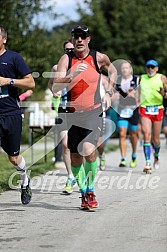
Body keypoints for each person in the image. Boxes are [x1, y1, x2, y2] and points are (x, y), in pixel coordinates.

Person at [51, 25, 117, 210]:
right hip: (71, 114)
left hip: (93, 111)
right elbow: (55, 87)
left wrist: (109, 92)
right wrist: (71, 75)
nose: (79, 40)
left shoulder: (99, 58)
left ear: (88, 39)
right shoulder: (66, 59)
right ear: (72, 40)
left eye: (83, 36)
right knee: (75, 158)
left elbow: (113, 71)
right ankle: (83, 193)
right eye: (76, 37)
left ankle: (90, 190)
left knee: (88, 151)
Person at [0, 26, 35, 204]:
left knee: (13, 157)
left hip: (11, 113)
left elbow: (31, 83)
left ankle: (25, 181)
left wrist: (9, 81)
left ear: (4, 39)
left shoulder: (13, 58)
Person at [48, 40, 77, 194]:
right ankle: (70, 176)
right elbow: (50, 83)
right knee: (65, 144)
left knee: (79, 145)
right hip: (63, 108)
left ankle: (82, 175)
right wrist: (54, 91)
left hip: (79, 109)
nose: (69, 51)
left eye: (71, 49)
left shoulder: (79, 66)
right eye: (66, 49)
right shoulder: (56, 68)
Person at [139, 59, 167, 173]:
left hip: (158, 109)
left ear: (157, 68)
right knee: (146, 134)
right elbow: (137, 92)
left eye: (152, 67)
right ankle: (147, 163)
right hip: (144, 108)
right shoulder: (142, 78)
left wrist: (164, 94)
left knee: (156, 139)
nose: (150, 69)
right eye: (148, 67)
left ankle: (156, 155)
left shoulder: (162, 78)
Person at [115, 61, 139, 168]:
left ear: (131, 69)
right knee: (122, 133)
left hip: (133, 110)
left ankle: (133, 155)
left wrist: (134, 94)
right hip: (122, 109)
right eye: (123, 68)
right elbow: (114, 94)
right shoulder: (118, 81)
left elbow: (141, 95)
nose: (124, 70)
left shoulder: (137, 80)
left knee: (133, 134)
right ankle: (123, 158)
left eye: (127, 68)